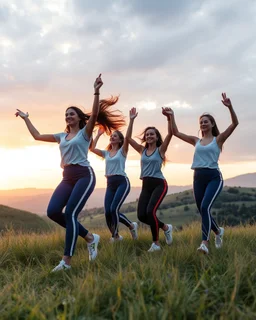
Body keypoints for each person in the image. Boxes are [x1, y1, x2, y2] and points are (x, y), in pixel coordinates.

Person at [15, 74, 126, 271]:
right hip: (67, 177)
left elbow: (93, 114)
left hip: (84, 175)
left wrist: (96, 90)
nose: (68, 116)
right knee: (53, 211)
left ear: (79, 118)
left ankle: (66, 261)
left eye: (72, 114)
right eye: (66, 114)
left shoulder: (85, 133)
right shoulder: (61, 136)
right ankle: (91, 238)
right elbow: (37, 136)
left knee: (71, 214)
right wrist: (26, 119)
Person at [169, 93, 239, 254]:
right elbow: (175, 132)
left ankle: (204, 243)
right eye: (201, 122)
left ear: (212, 124)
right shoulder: (196, 141)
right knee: (202, 209)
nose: (203, 124)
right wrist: (171, 116)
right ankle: (218, 231)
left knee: (205, 206)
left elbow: (235, 123)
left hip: (214, 177)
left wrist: (229, 107)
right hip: (198, 177)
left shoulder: (218, 139)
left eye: (205, 121)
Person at [126, 107, 173, 252]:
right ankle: (165, 227)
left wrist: (169, 118)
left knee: (150, 211)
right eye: (147, 134)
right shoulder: (142, 150)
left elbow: (171, 133)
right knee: (141, 215)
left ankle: (156, 244)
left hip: (159, 184)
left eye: (152, 134)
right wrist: (132, 120)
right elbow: (127, 139)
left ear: (157, 137)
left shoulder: (161, 150)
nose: (149, 136)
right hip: (146, 185)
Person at [90, 125, 138, 241]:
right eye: (111, 136)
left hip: (122, 182)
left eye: (115, 136)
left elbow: (128, 137)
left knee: (113, 209)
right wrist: (98, 135)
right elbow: (91, 148)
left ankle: (115, 237)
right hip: (110, 184)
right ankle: (129, 227)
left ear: (120, 140)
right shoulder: (106, 153)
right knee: (107, 212)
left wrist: (131, 120)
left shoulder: (123, 151)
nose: (112, 137)